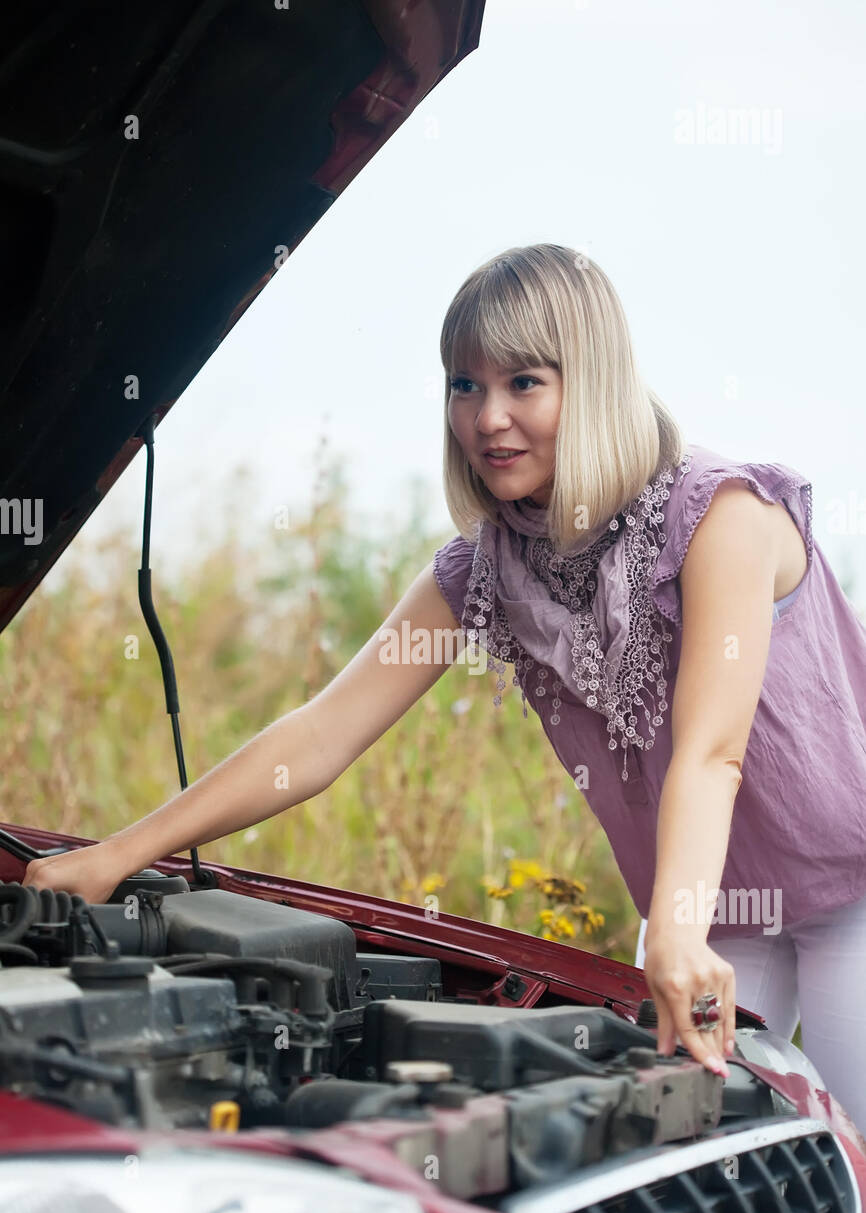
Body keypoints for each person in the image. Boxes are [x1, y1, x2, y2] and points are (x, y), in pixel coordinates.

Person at [22, 244, 866, 1135]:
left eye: (525, 383)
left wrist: (679, 935)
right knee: (713, 1154)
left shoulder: (723, 516)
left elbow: (710, 751)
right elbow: (320, 737)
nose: (489, 418)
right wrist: (118, 855)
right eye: (465, 386)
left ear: (596, 383)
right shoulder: (485, 570)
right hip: (713, 902)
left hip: (850, 882)